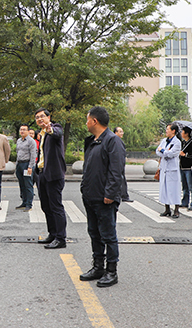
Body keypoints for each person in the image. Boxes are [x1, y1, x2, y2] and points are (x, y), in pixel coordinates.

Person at [80, 106, 125, 288]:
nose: (86, 122)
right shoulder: (92, 141)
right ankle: (98, 266)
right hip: (90, 195)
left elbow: (116, 171)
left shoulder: (113, 141)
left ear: (95, 121)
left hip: (104, 198)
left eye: (87, 119)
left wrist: (110, 194)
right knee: (94, 233)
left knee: (108, 235)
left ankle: (111, 271)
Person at [35, 108, 68, 249]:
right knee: (46, 206)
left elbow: (57, 133)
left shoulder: (55, 128)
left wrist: (50, 129)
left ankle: (61, 238)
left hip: (54, 175)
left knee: (56, 206)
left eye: (42, 116)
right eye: (37, 117)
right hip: (42, 174)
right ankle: (53, 234)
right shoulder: (41, 135)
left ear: (49, 117)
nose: (40, 119)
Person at [157, 123, 182, 218]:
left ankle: (176, 210)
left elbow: (171, 154)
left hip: (172, 170)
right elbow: (157, 151)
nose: (166, 131)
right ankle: (167, 209)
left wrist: (163, 151)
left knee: (174, 190)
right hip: (164, 169)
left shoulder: (177, 142)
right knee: (164, 189)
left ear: (173, 131)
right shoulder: (164, 140)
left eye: (168, 129)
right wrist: (164, 152)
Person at [15, 124, 36, 212]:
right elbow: (17, 152)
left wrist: (30, 166)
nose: (22, 131)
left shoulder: (31, 141)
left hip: (27, 164)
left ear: (27, 131)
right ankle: (24, 202)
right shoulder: (19, 140)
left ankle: (29, 204)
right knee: (22, 185)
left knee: (28, 185)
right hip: (19, 164)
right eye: (21, 130)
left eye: (24, 129)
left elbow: (33, 155)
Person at [179, 126, 192, 211]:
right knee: (185, 187)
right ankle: (185, 203)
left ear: (186, 133)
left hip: (190, 168)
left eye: (182, 132)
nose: (181, 133)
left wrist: (185, 155)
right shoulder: (183, 143)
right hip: (182, 167)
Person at [113, 127, 132, 202]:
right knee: (120, 180)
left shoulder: (118, 141)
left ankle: (123, 196)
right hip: (118, 164)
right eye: (120, 132)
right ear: (116, 133)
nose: (122, 133)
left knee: (121, 180)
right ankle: (123, 196)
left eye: (122, 131)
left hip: (120, 164)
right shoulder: (115, 141)